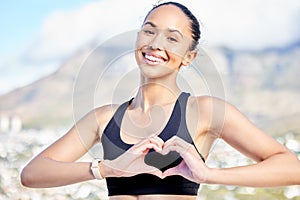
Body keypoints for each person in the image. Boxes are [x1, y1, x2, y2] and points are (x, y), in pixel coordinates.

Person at [20, 1, 300, 200]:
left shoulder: (205, 111)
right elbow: (32, 174)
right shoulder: (103, 118)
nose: (156, 44)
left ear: (189, 57)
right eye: (149, 31)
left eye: (172, 38)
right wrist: (107, 168)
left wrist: (209, 174)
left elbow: (292, 168)